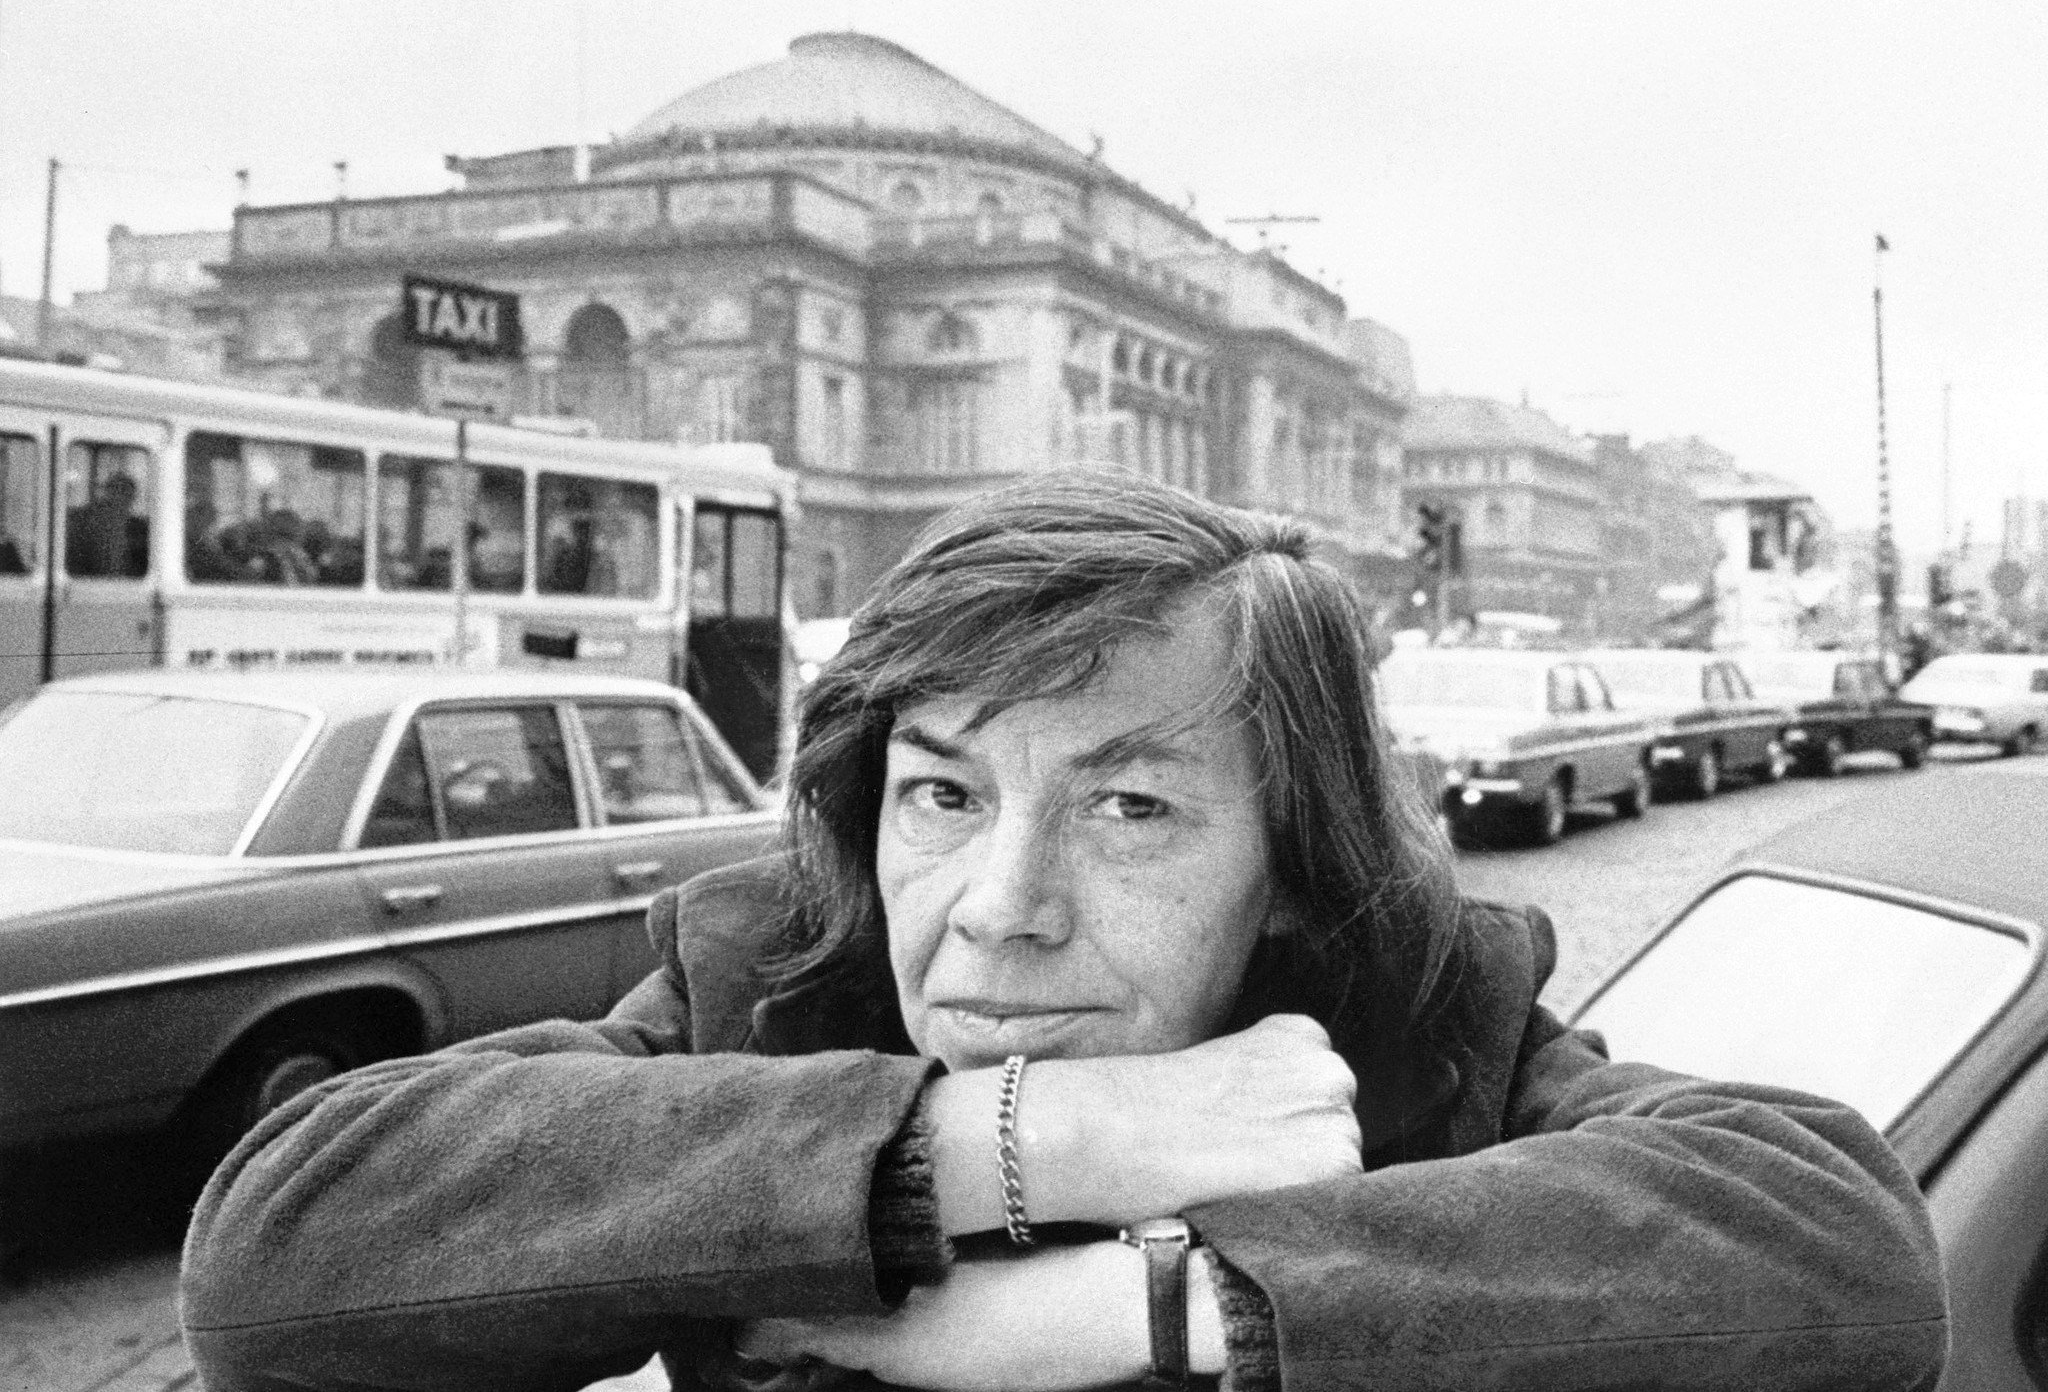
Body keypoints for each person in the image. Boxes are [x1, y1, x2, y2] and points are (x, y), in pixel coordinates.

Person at [180, 470, 1946, 1392]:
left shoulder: (1426, 1040)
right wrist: (1024, 1140)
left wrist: (1160, 1305)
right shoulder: (776, 994)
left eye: (1130, 810)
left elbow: (1844, 1252)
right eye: (944, 796)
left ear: (1294, 861)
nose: (1001, 912)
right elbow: (277, 1258)